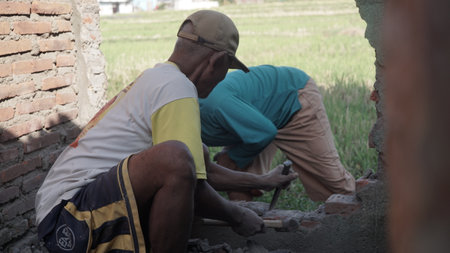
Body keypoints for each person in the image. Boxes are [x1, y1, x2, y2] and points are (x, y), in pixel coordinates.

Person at [35, 12, 297, 253]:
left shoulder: (161, 77)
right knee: (176, 158)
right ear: (216, 61)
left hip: (65, 214)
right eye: (226, 70)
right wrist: (237, 216)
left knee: (194, 155)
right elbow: (188, 178)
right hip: (69, 220)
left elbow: (202, 172)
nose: (221, 80)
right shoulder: (177, 87)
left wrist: (264, 181)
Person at [199, 65, 356, 202]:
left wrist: (233, 157)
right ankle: (246, 225)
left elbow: (264, 132)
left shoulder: (214, 105)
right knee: (238, 178)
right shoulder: (183, 120)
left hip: (292, 99)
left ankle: (363, 219)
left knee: (334, 184)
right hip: (252, 118)